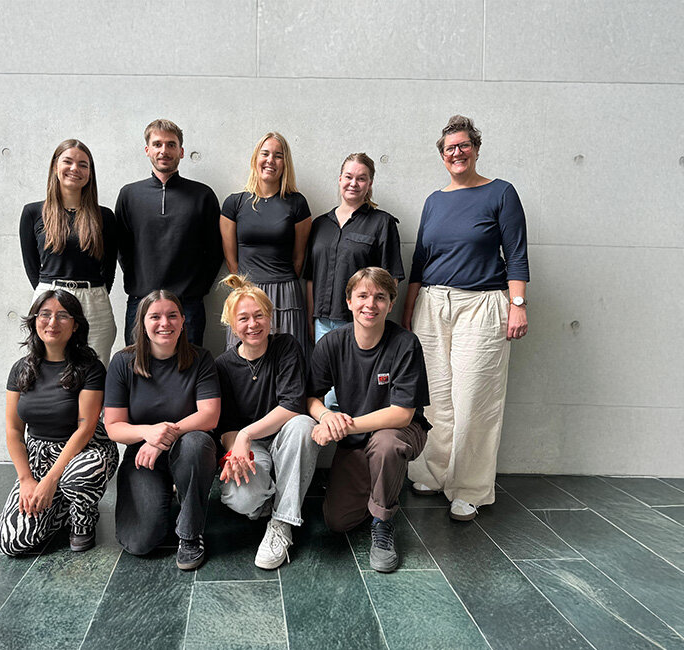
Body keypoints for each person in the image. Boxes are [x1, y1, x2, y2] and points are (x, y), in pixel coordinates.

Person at [400, 114, 529, 522]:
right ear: (442, 156)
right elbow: (421, 260)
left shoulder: (501, 193)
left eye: (463, 145)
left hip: (484, 305)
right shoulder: (434, 201)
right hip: (433, 305)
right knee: (434, 397)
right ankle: (432, 473)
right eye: (449, 148)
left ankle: (469, 487)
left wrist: (518, 304)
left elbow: (517, 253)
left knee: (474, 399)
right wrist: (409, 310)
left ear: (475, 148)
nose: (456, 152)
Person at [308, 267, 430, 573]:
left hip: (402, 432)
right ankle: (380, 486)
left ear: (391, 303)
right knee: (338, 521)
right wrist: (326, 417)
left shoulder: (405, 344)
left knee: (386, 443)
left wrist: (342, 426)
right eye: (362, 295)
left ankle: (383, 522)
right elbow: (309, 397)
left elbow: (402, 414)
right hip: (359, 437)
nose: (370, 304)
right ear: (348, 301)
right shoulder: (332, 343)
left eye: (380, 297)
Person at [0, 290, 119, 556]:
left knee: (79, 476)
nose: (52, 323)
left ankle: (83, 520)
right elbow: (14, 431)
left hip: (85, 450)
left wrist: (51, 480)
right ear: (35, 321)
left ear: (75, 325)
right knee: (13, 542)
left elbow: (85, 427)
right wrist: (27, 479)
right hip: (39, 456)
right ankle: (62, 506)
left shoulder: (90, 368)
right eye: (45, 315)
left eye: (63, 316)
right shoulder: (20, 369)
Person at [104, 290, 220, 570]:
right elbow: (114, 427)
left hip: (189, 449)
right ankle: (166, 494)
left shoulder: (201, 358)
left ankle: (191, 534)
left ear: (183, 321)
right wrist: (148, 433)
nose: (164, 323)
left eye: (172, 315)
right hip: (144, 456)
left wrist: (162, 436)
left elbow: (209, 416)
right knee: (139, 543)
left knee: (196, 443)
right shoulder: (122, 363)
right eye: (155, 316)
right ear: (142, 322)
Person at [215, 275, 319, 569]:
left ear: (270, 317)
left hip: (284, 437)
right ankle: (269, 500)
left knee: (304, 426)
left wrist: (246, 434)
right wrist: (238, 448)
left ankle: (281, 522)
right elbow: (226, 427)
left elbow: (292, 405)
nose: (253, 324)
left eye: (259, 315)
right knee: (242, 499)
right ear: (232, 325)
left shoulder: (286, 346)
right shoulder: (223, 365)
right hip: (250, 445)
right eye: (244, 318)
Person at [304, 152, 404, 407]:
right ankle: (330, 445)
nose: (353, 183)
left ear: (369, 184)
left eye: (361, 178)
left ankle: (355, 446)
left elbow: (391, 279)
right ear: (339, 179)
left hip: (360, 324)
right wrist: (310, 319)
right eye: (348, 177)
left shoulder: (382, 224)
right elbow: (311, 278)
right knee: (325, 396)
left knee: (354, 395)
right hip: (322, 325)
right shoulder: (320, 225)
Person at [115, 119, 222, 346]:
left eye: (171, 145)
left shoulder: (202, 196)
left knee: (187, 371)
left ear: (181, 151)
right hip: (140, 302)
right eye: (157, 144)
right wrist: (140, 283)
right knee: (137, 370)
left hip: (187, 305)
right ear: (147, 150)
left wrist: (196, 290)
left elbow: (214, 251)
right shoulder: (129, 195)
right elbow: (122, 248)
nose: (164, 151)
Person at [19, 139, 118, 365]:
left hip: (95, 302)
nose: (75, 169)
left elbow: (109, 267)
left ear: (90, 173)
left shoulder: (105, 217)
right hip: (50, 297)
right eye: (68, 161)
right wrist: (50, 293)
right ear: (55, 166)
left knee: (95, 370)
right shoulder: (33, 213)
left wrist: (94, 292)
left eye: (83, 164)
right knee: (48, 367)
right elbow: (32, 266)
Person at [219, 132, 313, 360]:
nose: (270, 160)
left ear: (285, 163)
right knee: (243, 362)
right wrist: (247, 290)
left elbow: (299, 258)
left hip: (286, 293)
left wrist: (279, 282)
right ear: (256, 158)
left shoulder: (297, 203)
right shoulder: (234, 203)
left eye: (278, 156)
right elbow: (231, 260)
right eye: (265, 153)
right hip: (247, 293)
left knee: (288, 360)